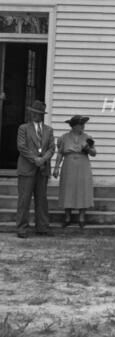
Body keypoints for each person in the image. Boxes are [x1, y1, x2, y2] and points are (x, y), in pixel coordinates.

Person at [15, 100, 55, 238]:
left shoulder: (49, 130)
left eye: (38, 113)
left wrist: (43, 159)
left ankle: (42, 227)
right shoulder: (23, 128)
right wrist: (35, 159)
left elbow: (51, 148)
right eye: (33, 112)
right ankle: (21, 228)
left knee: (42, 199)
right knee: (24, 199)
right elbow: (21, 146)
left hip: (42, 169)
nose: (35, 115)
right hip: (27, 168)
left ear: (42, 115)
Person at [53, 115, 96, 228]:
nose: (83, 127)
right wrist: (56, 167)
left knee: (82, 188)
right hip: (69, 165)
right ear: (74, 126)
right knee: (68, 189)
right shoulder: (64, 137)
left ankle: (81, 217)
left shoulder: (87, 137)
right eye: (80, 125)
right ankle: (67, 217)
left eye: (83, 124)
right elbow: (60, 153)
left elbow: (94, 153)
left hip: (83, 165)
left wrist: (88, 148)